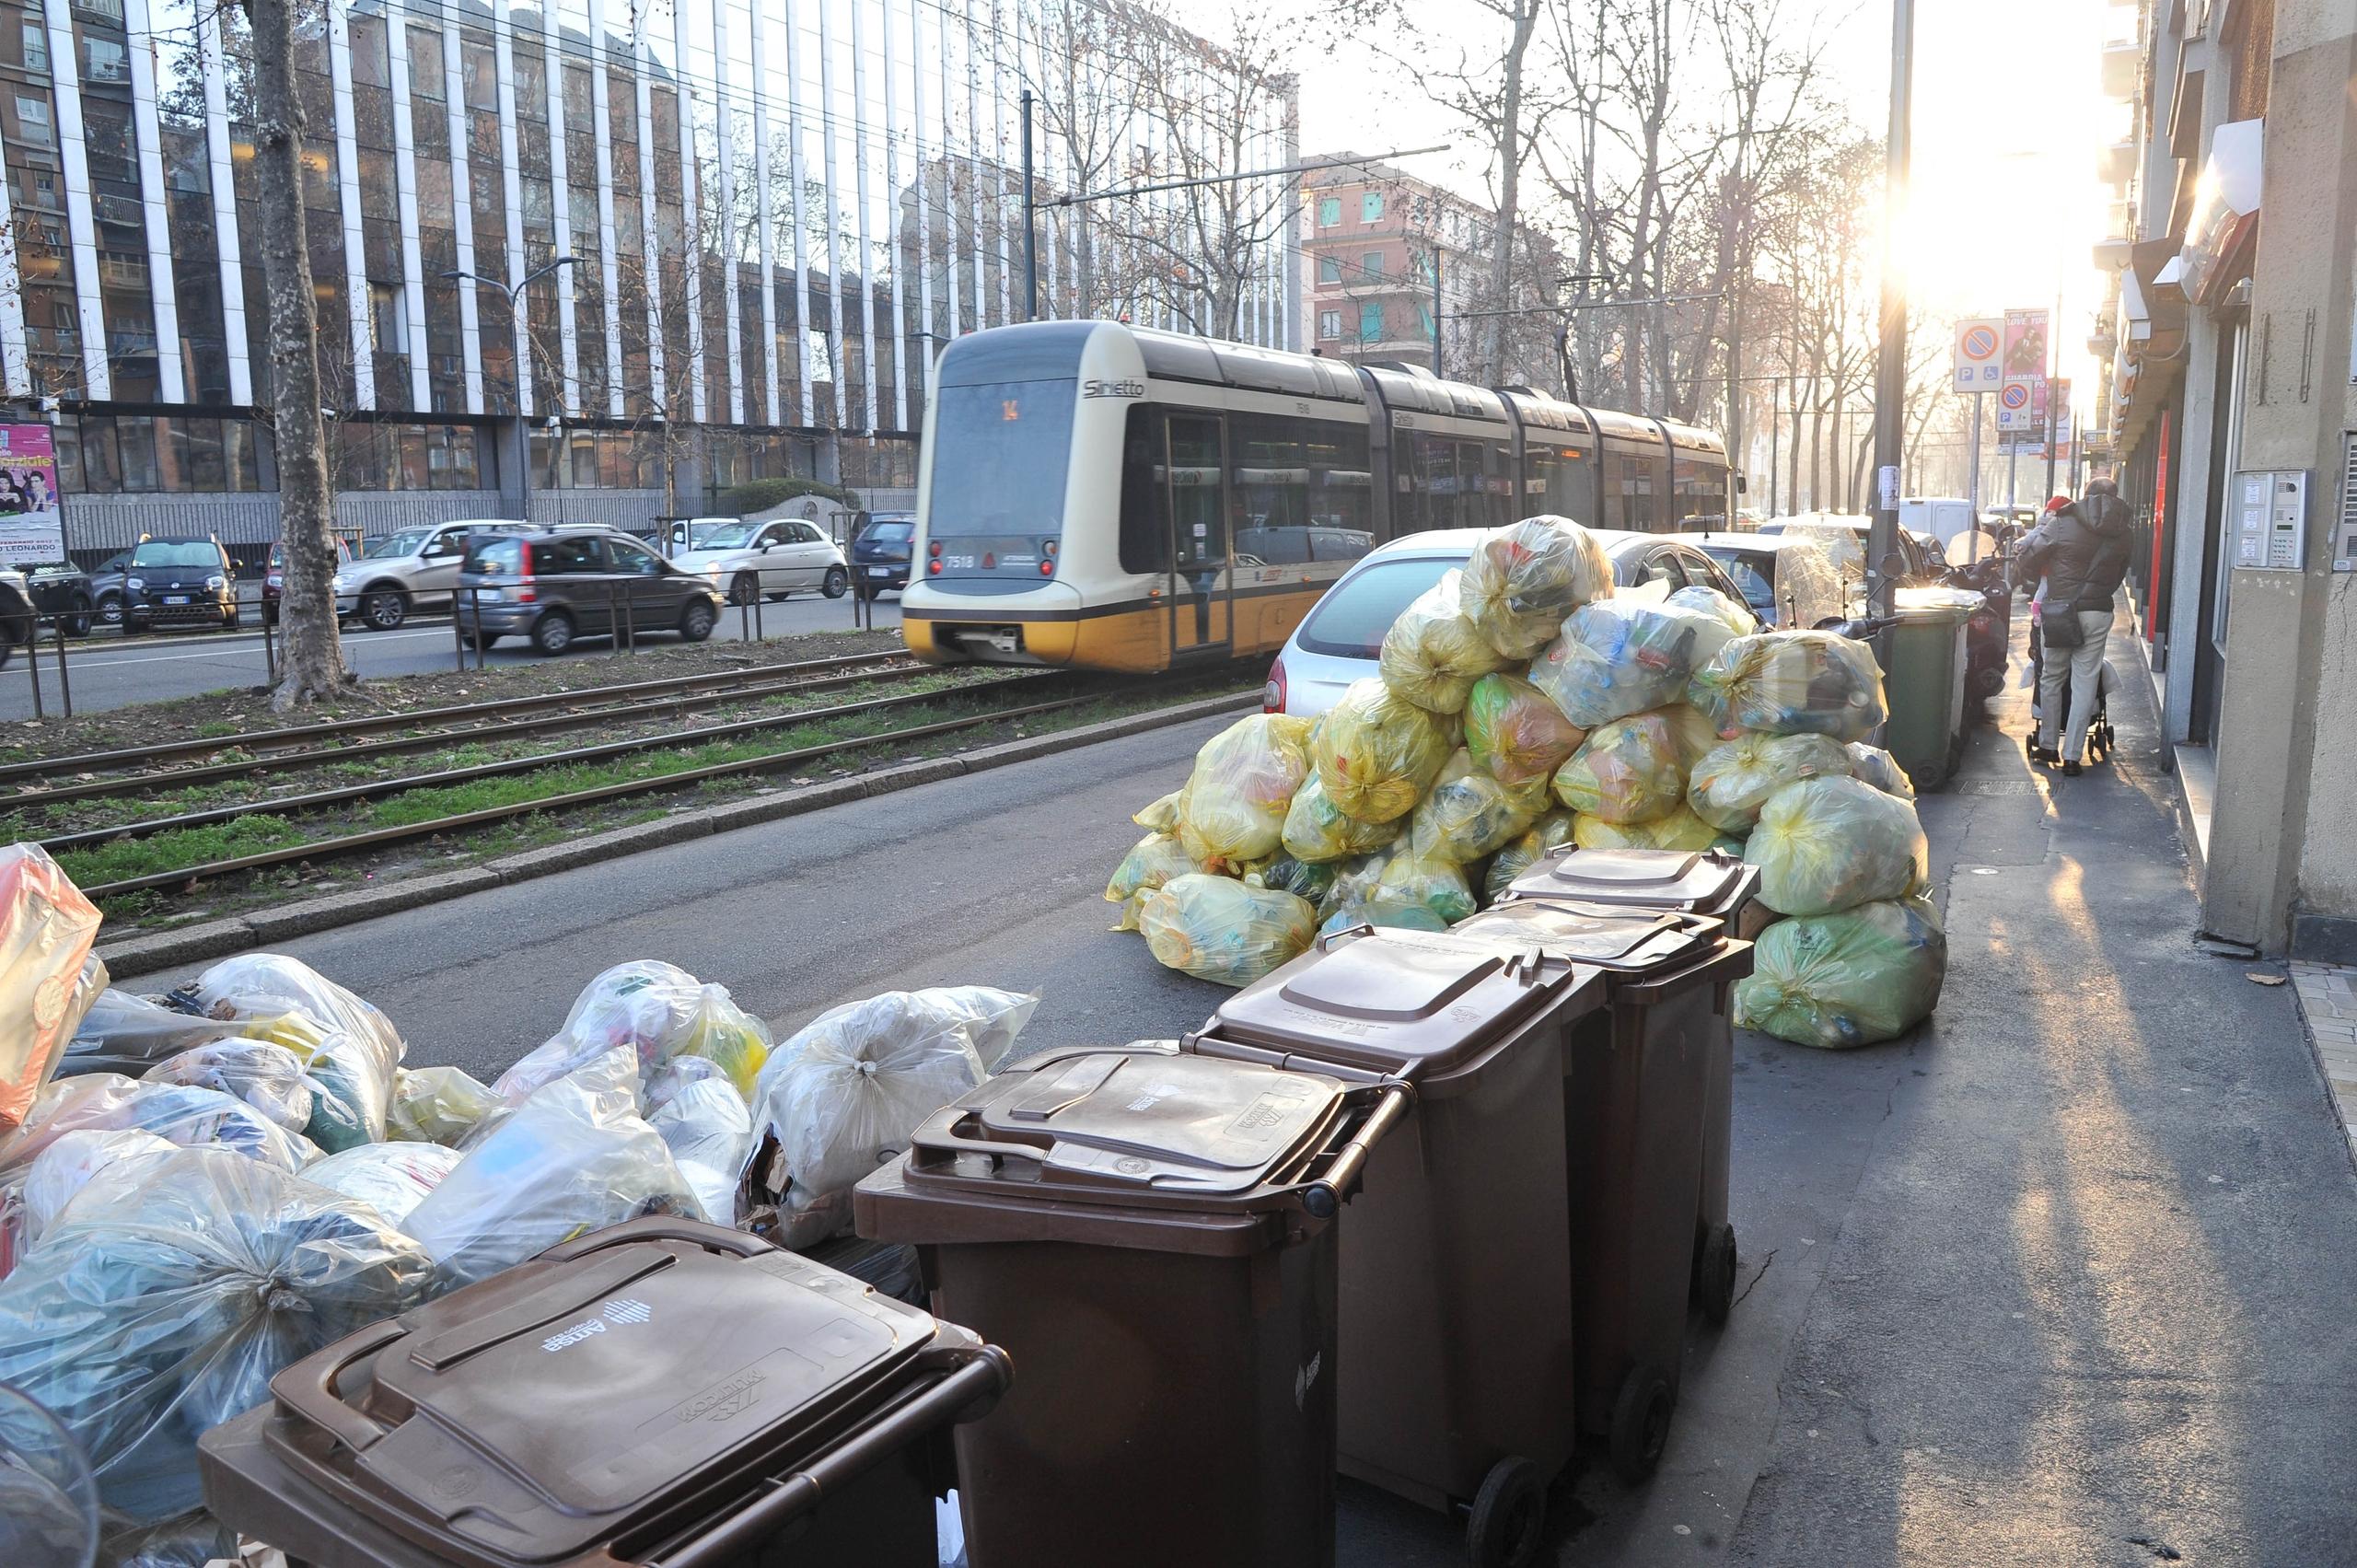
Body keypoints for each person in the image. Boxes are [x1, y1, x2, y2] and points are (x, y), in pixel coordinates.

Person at [2017, 477, 2131, 774]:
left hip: (2059, 611)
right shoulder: (2124, 530)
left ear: (2085, 495)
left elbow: (2030, 556)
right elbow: (2119, 575)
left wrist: (2046, 578)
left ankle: (2049, 744)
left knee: (2052, 677)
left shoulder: (2063, 521)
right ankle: (2072, 756)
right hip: (2097, 611)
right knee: (2085, 682)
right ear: (2115, 497)